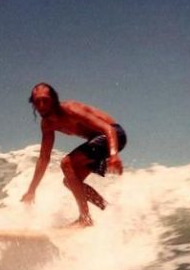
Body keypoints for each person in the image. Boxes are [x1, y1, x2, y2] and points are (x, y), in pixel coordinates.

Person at [21, 82, 127, 227]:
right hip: (98, 142)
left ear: (54, 100)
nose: (41, 105)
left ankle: (85, 218)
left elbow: (108, 129)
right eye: (37, 101)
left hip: (113, 135)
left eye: (45, 100)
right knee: (70, 182)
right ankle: (108, 210)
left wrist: (114, 155)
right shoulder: (47, 124)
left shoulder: (71, 110)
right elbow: (44, 158)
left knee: (66, 163)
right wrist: (31, 190)